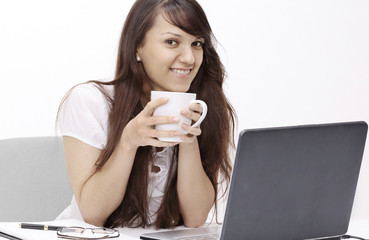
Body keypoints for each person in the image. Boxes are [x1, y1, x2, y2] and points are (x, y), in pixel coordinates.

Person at [57, 0, 236, 229]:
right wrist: (128, 143)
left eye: (197, 43)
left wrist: (188, 140)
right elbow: (93, 214)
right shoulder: (91, 101)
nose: (190, 58)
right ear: (137, 47)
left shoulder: (203, 104)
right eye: (172, 42)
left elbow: (195, 219)